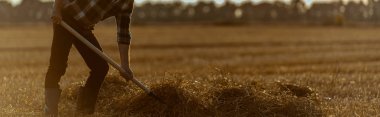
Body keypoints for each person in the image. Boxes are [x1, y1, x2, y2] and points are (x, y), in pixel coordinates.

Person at [45, 0, 134, 116]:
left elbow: (123, 33)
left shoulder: (126, 3)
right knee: (58, 66)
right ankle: (50, 111)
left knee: (101, 67)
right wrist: (56, 9)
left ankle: (83, 112)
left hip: (84, 28)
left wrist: (125, 65)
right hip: (65, 18)